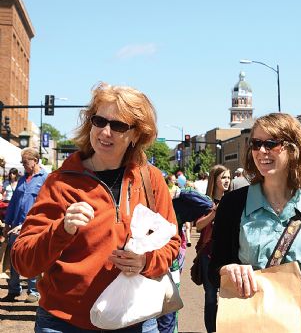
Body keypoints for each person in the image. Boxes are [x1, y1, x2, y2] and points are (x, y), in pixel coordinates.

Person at [10, 82, 180, 331]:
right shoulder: (61, 181)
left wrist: (146, 261)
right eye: (99, 121)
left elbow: (172, 243)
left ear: (136, 134)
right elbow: (23, 260)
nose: (105, 132)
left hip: (136, 318)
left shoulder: (150, 179)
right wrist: (62, 229)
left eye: (118, 125)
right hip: (65, 322)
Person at [209, 113, 301, 333]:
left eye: (271, 144)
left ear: (293, 149)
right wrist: (227, 270)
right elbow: (215, 268)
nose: (261, 151)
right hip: (252, 319)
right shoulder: (233, 204)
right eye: (256, 144)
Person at [2, 149, 48, 303]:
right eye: (22, 163)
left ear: (35, 160)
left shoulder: (45, 178)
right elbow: (14, 202)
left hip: (34, 226)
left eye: (25, 162)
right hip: (16, 225)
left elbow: (47, 204)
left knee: (32, 257)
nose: (23, 166)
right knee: (14, 256)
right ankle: (13, 289)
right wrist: (7, 223)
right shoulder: (22, 179)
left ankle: (33, 291)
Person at [194, 164, 230, 333]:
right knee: (210, 297)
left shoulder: (231, 200)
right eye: (223, 177)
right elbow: (199, 226)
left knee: (226, 297)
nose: (227, 181)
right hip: (208, 254)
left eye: (228, 177)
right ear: (214, 180)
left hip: (227, 255)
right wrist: (215, 212)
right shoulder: (205, 201)